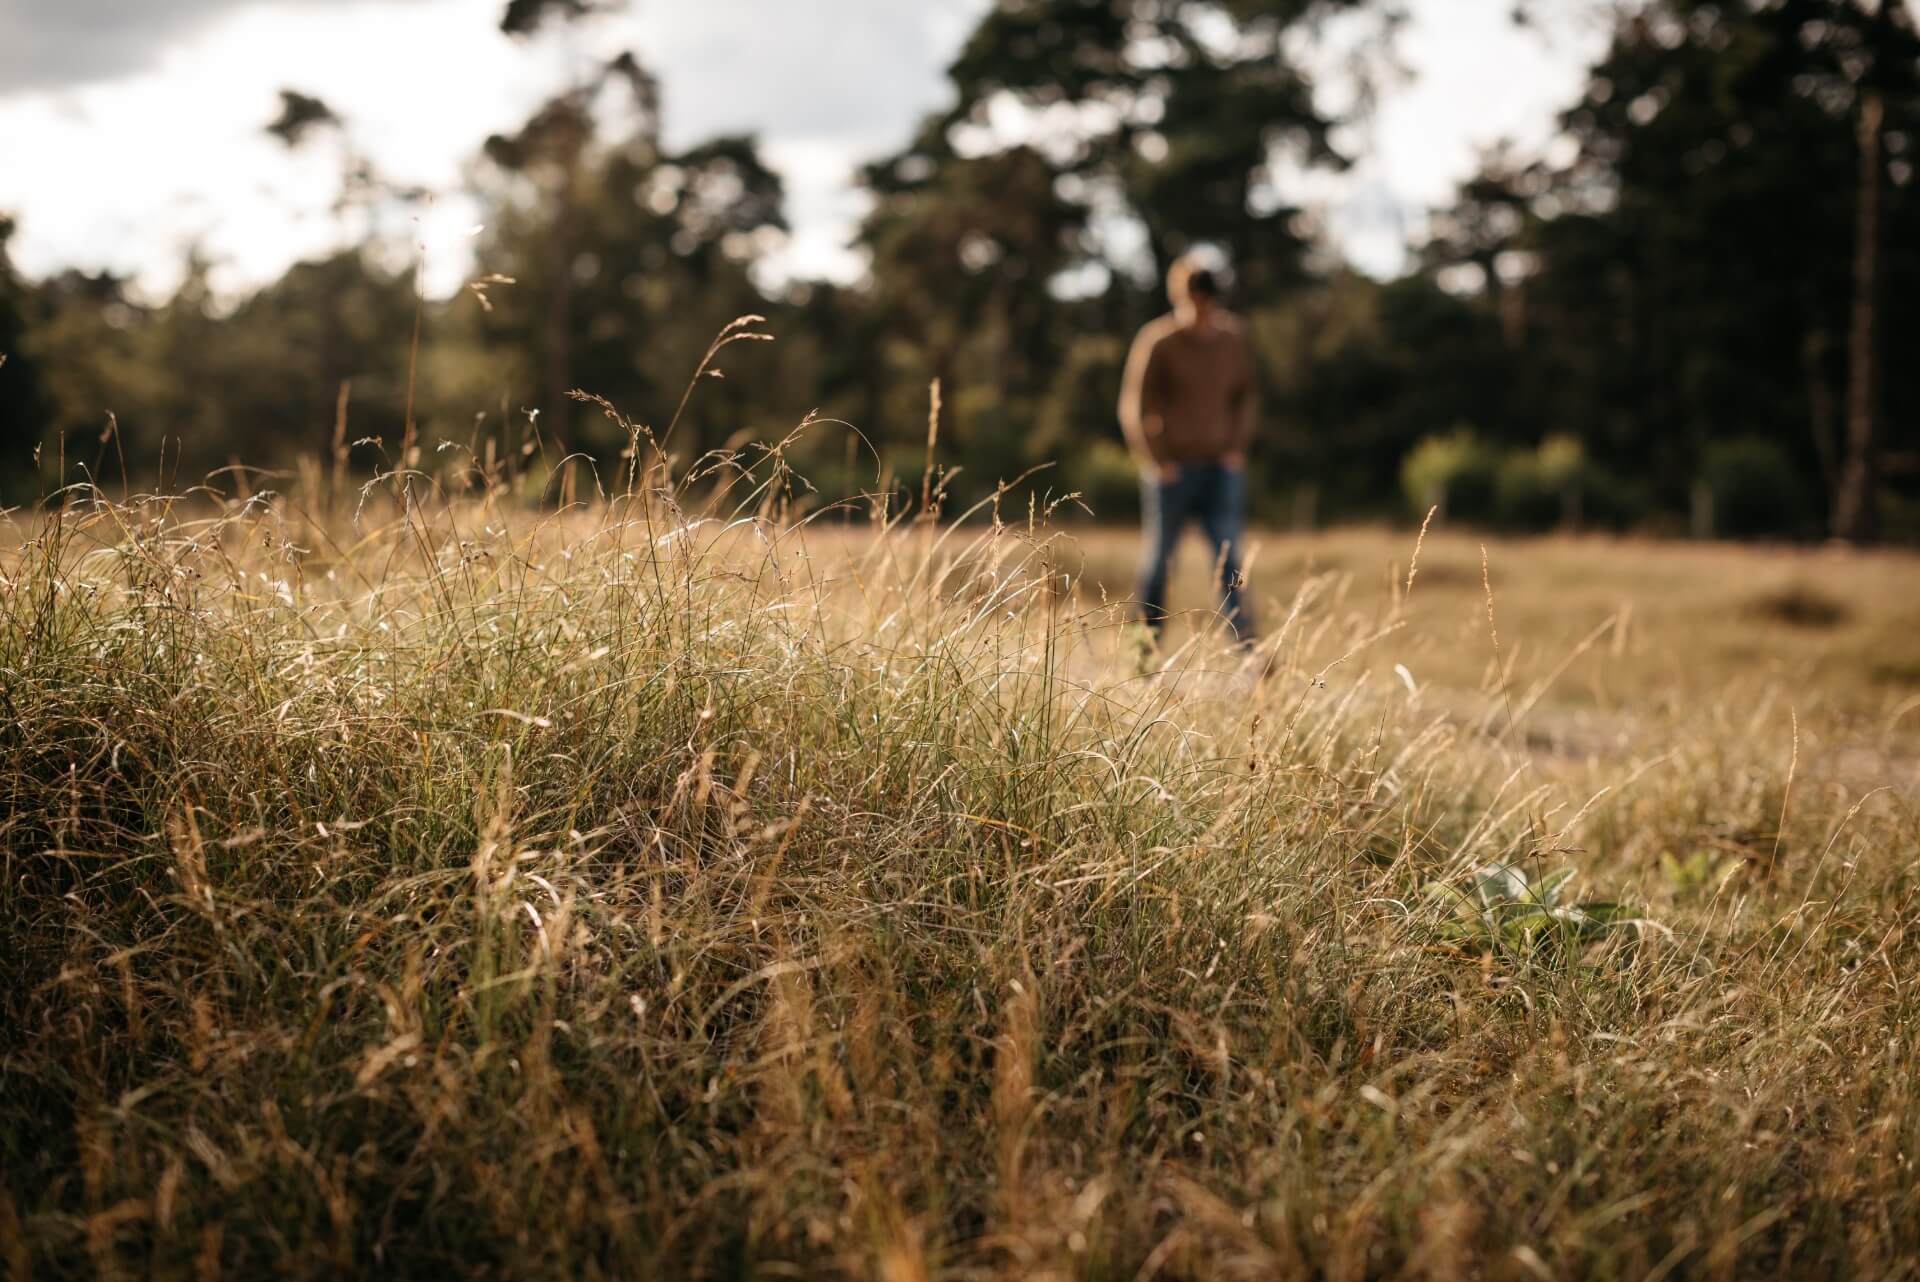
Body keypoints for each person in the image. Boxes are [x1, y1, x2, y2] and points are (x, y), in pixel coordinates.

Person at [1117, 255, 1257, 646]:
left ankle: (1247, 650)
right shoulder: (1158, 341)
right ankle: (1143, 653)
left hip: (1220, 469)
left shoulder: (1232, 340)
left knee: (1230, 562)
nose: (1199, 312)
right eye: (1192, 302)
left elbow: (1246, 398)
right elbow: (1135, 405)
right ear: (1180, 298)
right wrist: (1157, 460)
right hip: (1172, 471)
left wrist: (1236, 447)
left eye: (1206, 303)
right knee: (1159, 563)